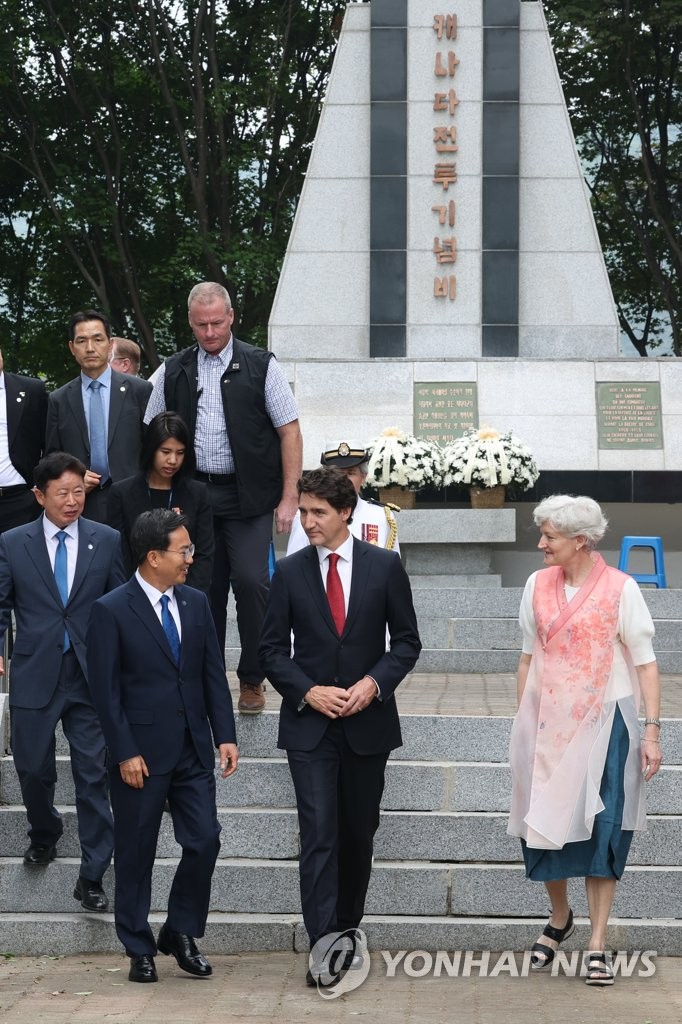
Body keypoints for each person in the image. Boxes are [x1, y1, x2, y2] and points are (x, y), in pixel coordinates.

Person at [259, 467, 421, 987]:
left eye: (317, 513)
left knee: (357, 834)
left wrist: (374, 684)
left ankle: (347, 931)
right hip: (309, 727)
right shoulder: (288, 572)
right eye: (303, 512)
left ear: (345, 513)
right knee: (319, 833)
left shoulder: (384, 567)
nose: (306, 522)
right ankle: (324, 944)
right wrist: (306, 690)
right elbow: (267, 651)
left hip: (368, 723)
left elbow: (407, 643)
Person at [507, 495, 662, 987]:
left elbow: (645, 662)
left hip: (606, 721)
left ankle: (597, 942)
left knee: (605, 828)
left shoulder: (621, 588)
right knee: (544, 826)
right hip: (549, 724)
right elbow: (528, 656)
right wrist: (523, 720)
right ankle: (559, 917)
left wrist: (653, 730)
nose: (540, 544)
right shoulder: (536, 585)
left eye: (549, 536)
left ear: (580, 541)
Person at [86, 509, 238, 984]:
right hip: (140, 755)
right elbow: (104, 692)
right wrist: (124, 750)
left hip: (192, 747)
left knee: (205, 840)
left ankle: (180, 930)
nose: (191, 557)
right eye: (183, 550)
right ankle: (138, 946)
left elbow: (212, 673)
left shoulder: (195, 602)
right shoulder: (111, 609)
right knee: (136, 851)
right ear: (154, 557)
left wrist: (225, 734)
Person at [144, 282, 302, 714]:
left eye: (217, 322)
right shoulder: (173, 369)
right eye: (201, 325)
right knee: (198, 589)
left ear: (231, 317)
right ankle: (201, 677)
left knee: (253, 583)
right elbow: (151, 430)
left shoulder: (261, 365)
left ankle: (252, 678)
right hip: (193, 498)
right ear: (190, 323)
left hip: (248, 497)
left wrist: (290, 497)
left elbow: (289, 429)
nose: (210, 332)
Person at [0, 452, 125, 911]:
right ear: (39, 496)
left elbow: (120, 603)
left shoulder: (106, 539)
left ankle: (93, 874)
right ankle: (44, 830)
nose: (73, 501)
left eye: (79, 492)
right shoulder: (14, 542)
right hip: (35, 670)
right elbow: (1, 603)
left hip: (90, 674)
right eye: (62, 494)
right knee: (33, 768)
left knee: (93, 774)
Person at [45, 310, 152, 523]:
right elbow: (52, 455)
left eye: (98, 339)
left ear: (110, 345)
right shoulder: (59, 399)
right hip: (82, 503)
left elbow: (154, 447)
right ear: (71, 347)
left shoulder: (140, 390)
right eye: (82, 341)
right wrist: (74, 476)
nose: (90, 348)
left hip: (135, 501)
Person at [108, 412, 214, 591]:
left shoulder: (198, 493)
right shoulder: (121, 493)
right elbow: (119, 556)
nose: (173, 460)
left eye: (180, 453)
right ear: (151, 449)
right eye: (165, 452)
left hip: (185, 593)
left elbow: (204, 555)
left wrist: (187, 596)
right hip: (135, 593)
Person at [286, 441, 400, 556]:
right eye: (337, 473)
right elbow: (294, 564)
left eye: (350, 473)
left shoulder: (381, 516)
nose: (343, 479)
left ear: (363, 477)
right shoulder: (307, 515)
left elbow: (390, 567)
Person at [0, 347, 47, 533]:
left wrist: (39, 485)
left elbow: (50, 442)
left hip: (21, 500)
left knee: (20, 560)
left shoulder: (31, 389)